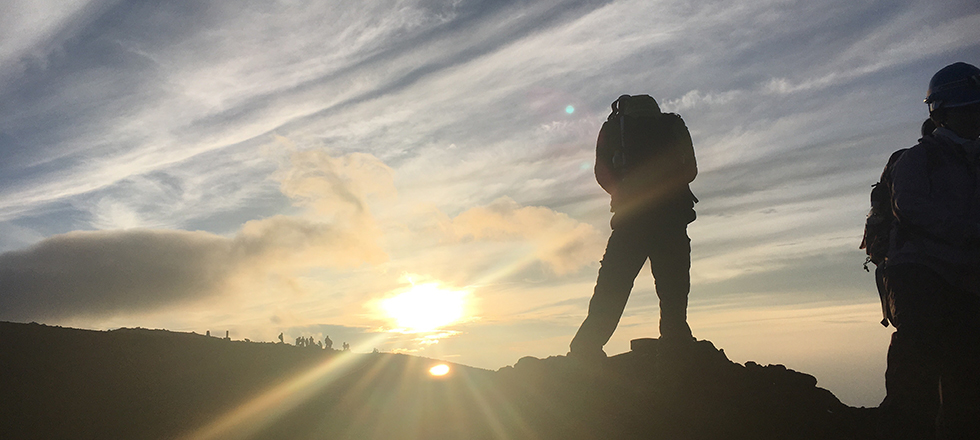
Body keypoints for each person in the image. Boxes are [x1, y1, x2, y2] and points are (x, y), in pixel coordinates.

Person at [878, 62, 980, 439]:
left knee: (967, 365)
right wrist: (970, 234)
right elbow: (911, 209)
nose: (975, 117)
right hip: (917, 271)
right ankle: (903, 427)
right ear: (943, 113)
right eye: (968, 109)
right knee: (919, 347)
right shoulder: (917, 159)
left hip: (964, 276)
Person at [569, 94, 698, 360]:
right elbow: (691, 170)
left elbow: (601, 172)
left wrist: (624, 194)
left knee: (613, 284)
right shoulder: (672, 125)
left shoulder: (615, 129)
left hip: (631, 219)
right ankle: (676, 339)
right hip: (672, 217)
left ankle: (586, 347)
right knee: (673, 284)